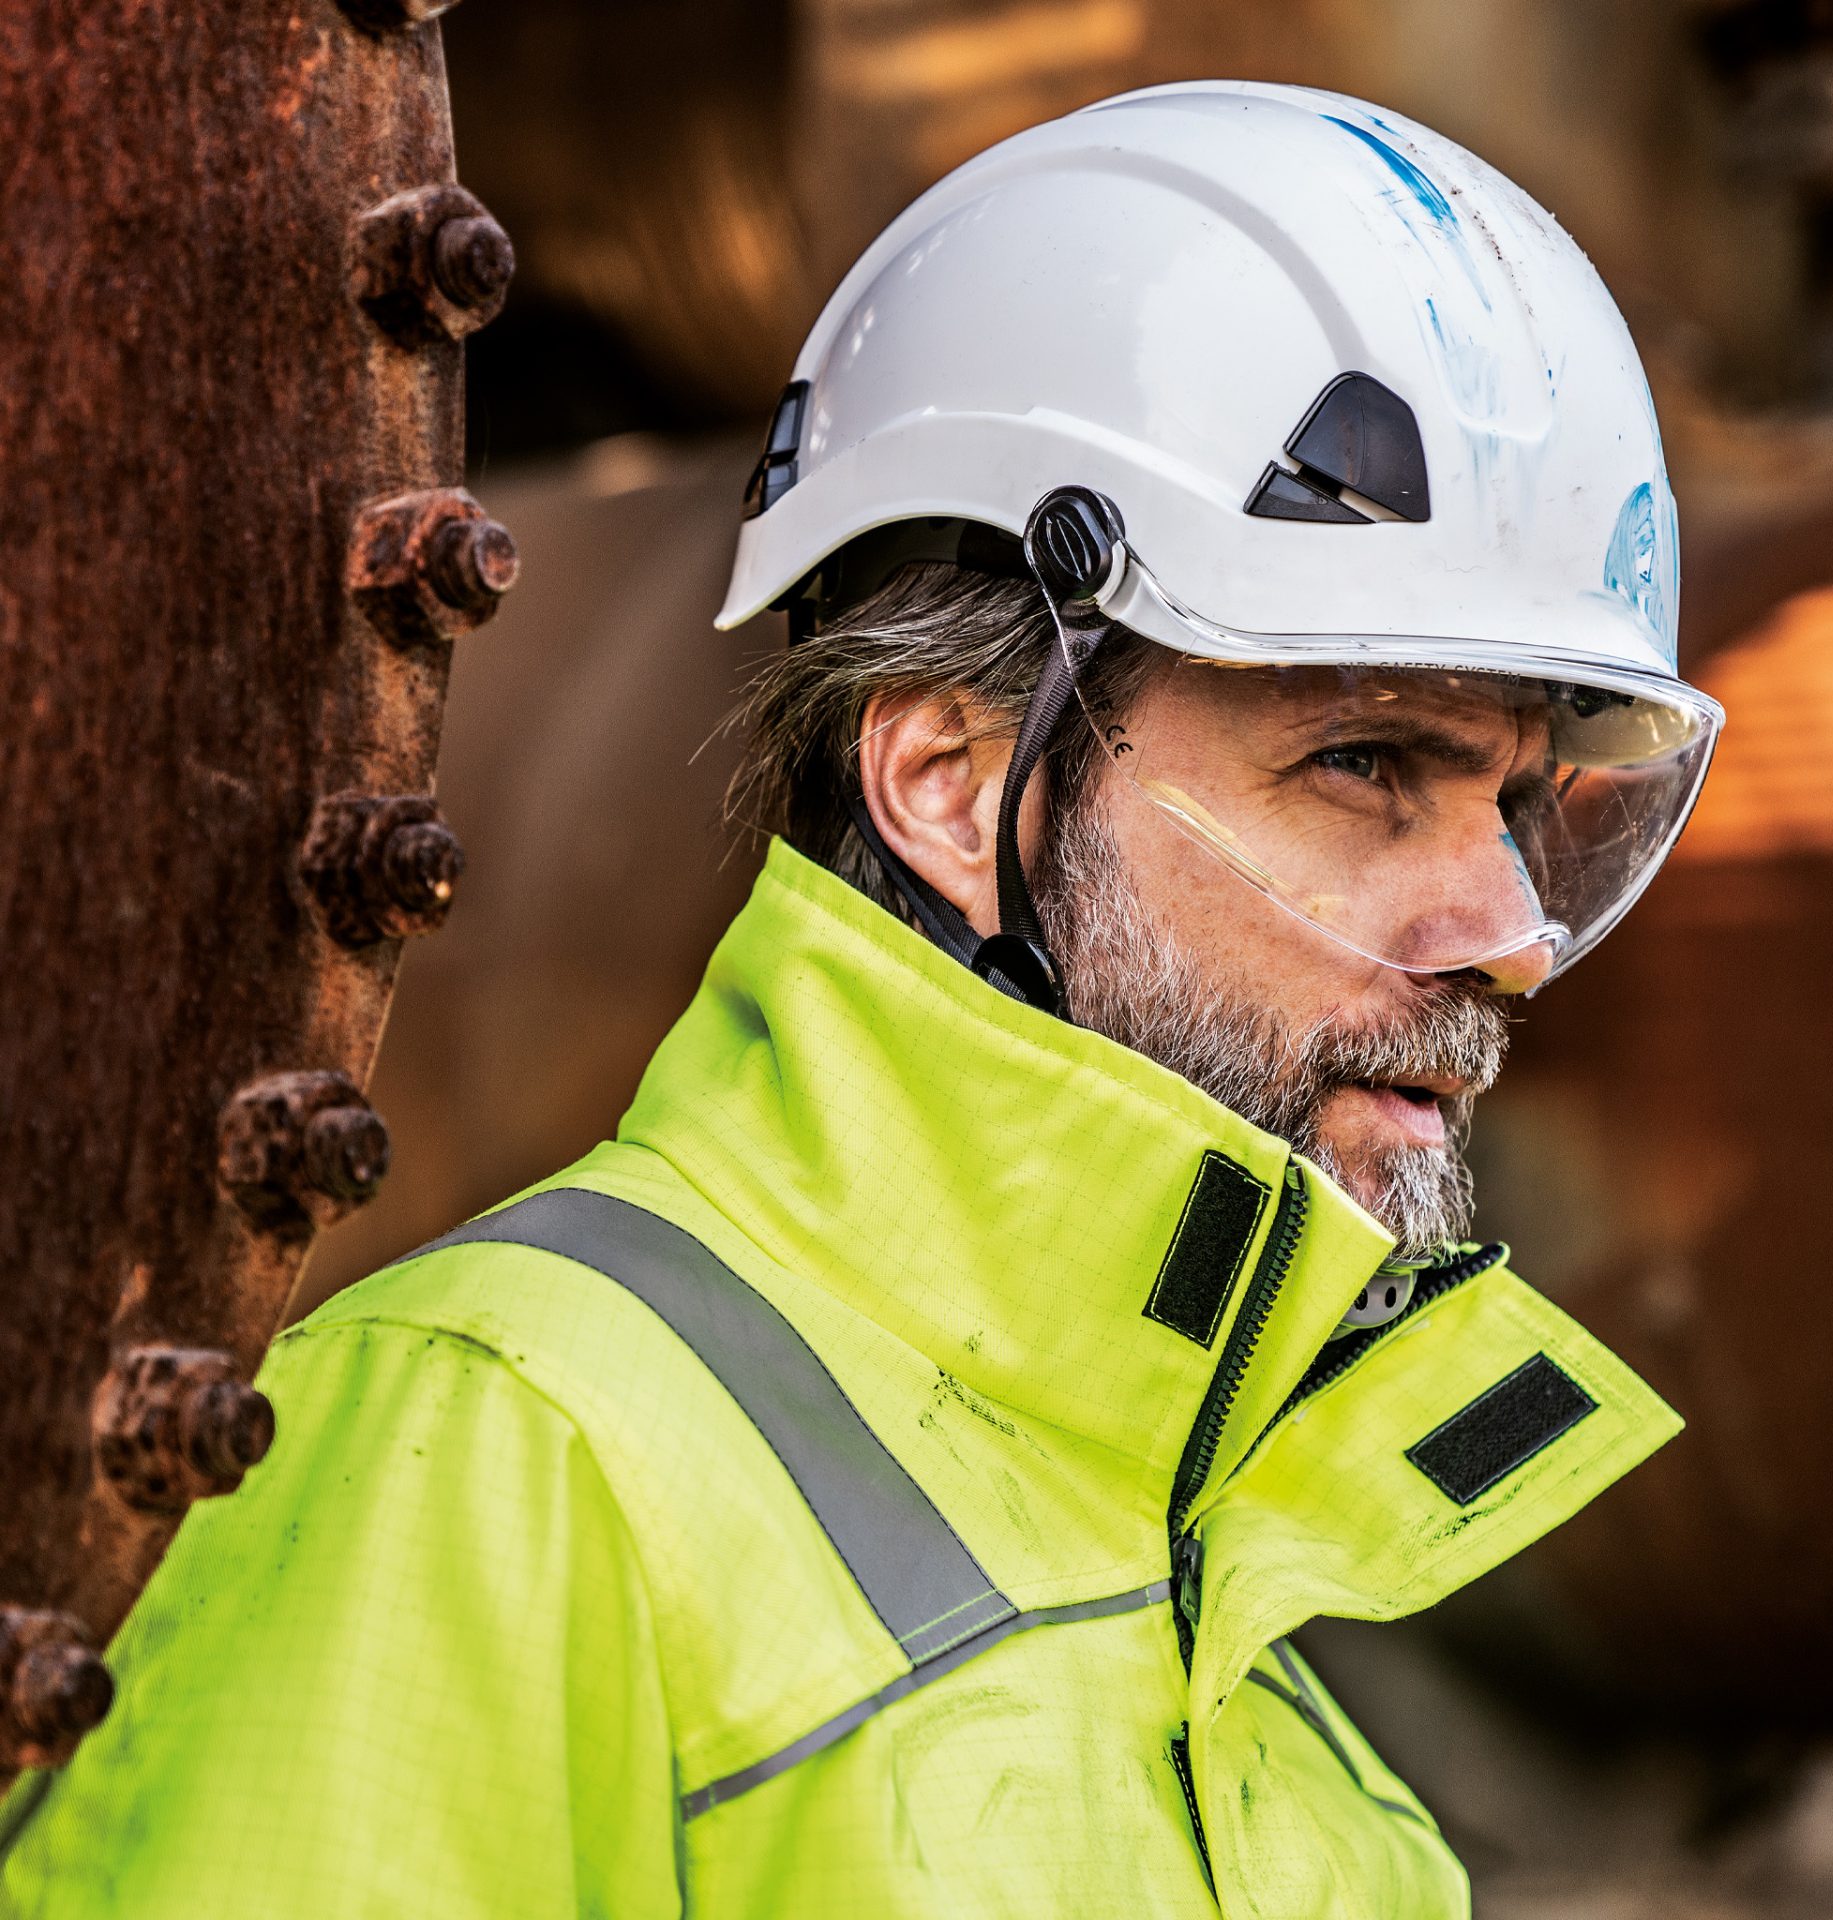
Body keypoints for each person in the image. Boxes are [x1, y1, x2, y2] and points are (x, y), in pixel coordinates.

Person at [0, 83, 1721, 1918]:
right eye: (1369, 764)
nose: (1509, 932)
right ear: (953, 790)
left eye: (1521, 806)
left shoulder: (1240, 1625)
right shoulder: (493, 1462)